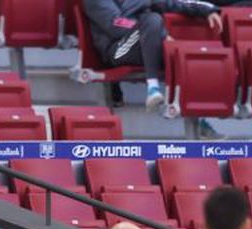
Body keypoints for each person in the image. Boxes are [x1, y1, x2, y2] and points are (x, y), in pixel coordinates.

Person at [84, 0, 224, 134]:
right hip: (117, 50)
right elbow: (116, 25)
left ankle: (198, 118)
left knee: (185, 53)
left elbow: (175, 3)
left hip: (146, 40)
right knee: (152, 20)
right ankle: (152, 87)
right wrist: (159, 34)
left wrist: (207, 10)